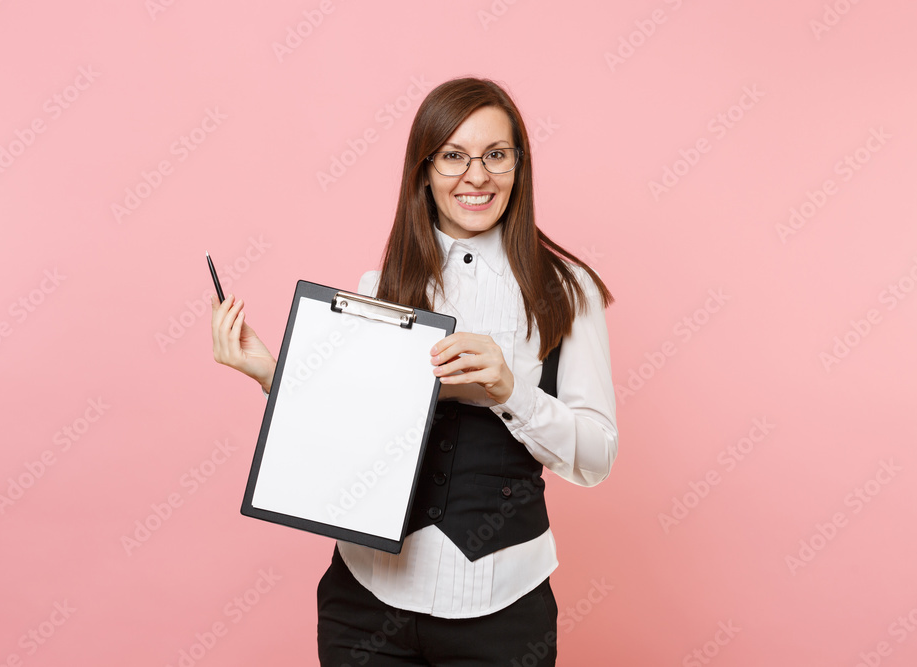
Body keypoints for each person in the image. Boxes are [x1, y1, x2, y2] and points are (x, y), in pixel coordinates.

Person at [210, 76, 617, 666]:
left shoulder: (567, 290)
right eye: (453, 156)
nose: (476, 176)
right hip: (365, 602)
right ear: (424, 170)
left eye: (495, 155)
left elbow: (597, 458)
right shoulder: (383, 286)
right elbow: (352, 435)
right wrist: (272, 375)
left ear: (519, 166)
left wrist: (510, 390)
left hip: (505, 611)